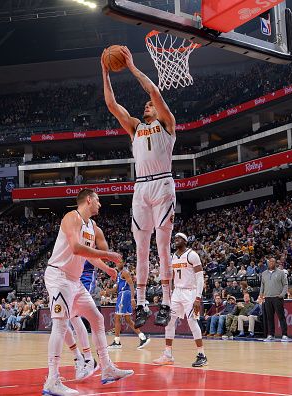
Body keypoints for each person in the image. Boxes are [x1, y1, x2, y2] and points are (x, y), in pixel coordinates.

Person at [102, 46, 176, 329]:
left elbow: (154, 92)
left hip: (162, 184)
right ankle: (143, 302)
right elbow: (111, 105)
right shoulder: (134, 127)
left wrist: (131, 67)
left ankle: (166, 302)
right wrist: (105, 70)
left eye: (149, 105)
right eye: (145, 105)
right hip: (141, 189)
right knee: (141, 248)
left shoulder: (167, 123)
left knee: (162, 244)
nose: (146, 106)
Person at [43, 189, 133, 395]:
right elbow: (76, 248)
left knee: (97, 319)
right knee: (61, 324)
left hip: (74, 281)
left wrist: (107, 268)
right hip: (59, 277)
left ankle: (107, 368)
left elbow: (89, 257)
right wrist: (108, 254)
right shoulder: (71, 217)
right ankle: (52, 380)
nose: (100, 204)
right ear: (89, 200)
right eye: (98, 200)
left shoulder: (93, 228)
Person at [152, 232, 208, 367]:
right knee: (169, 322)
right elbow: (170, 277)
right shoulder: (173, 257)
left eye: (179, 238)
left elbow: (200, 277)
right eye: (175, 238)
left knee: (192, 322)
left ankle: (202, 355)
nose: (176, 240)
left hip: (190, 292)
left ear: (185, 241)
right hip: (177, 292)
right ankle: (168, 354)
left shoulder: (192, 255)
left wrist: (198, 297)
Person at [107, 261, 150, 350]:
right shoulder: (119, 275)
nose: (118, 264)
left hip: (124, 295)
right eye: (117, 262)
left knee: (117, 317)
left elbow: (131, 284)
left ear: (123, 264)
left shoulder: (125, 272)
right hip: (122, 295)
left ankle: (117, 342)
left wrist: (132, 298)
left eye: (120, 262)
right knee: (128, 320)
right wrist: (107, 291)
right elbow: (116, 289)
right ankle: (143, 337)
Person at [259, 257, 289, 342]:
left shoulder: (281, 273)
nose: (271, 263)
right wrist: (261, 294)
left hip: (277, 297)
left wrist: (282, 294)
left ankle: (284, 334)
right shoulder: (264, 273)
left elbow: (285, 284)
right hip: (267, 297)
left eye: (273, 261)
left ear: (275, 263)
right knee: (269, 317)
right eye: (269, 262)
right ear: (267, 263)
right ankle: (271, 335)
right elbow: (262, 285)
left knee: (281, 317)